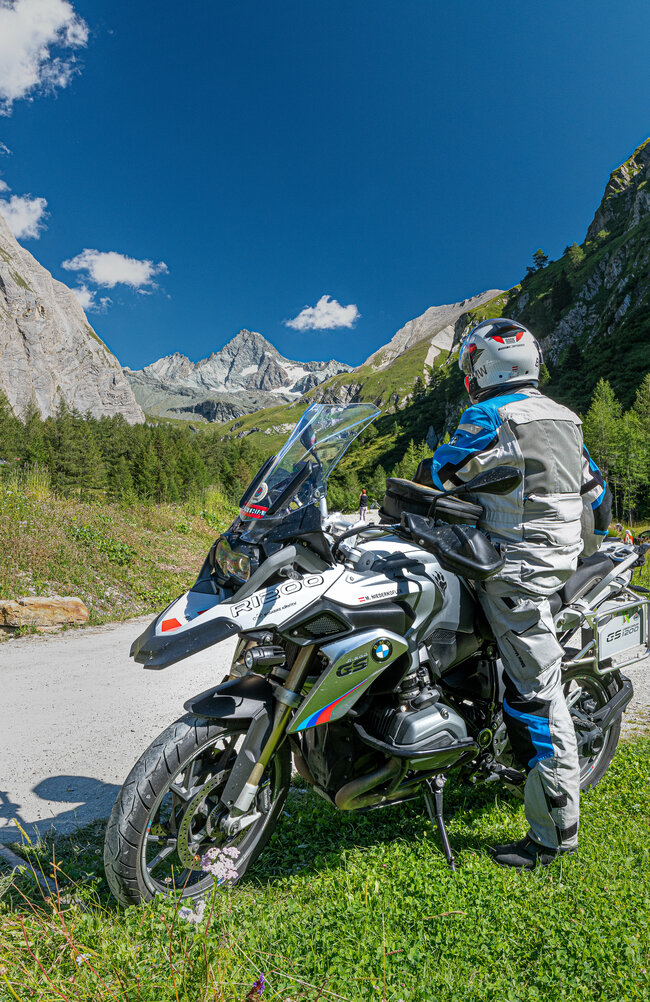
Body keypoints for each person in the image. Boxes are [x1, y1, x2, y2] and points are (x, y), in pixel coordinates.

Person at [413, 318, 611, 869]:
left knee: (537, 699)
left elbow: (441, 474)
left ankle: (554, 835)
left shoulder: (488, 415)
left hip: (513, 572)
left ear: (480, 370)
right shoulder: (565, 418)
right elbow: (596, 496)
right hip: (557, 563)